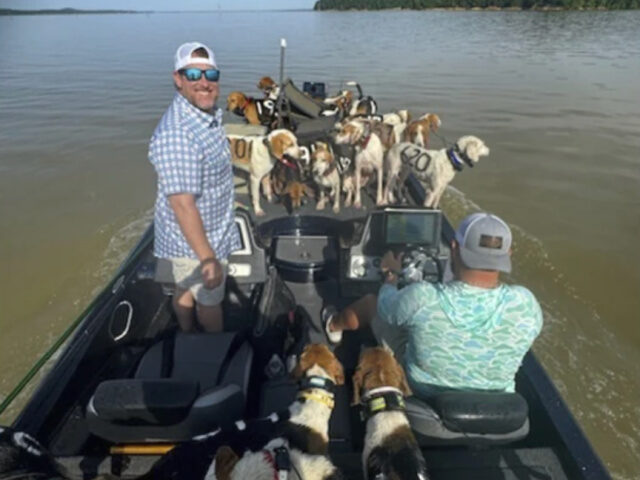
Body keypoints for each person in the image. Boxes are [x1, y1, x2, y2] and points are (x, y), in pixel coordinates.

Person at [324, 212, 543, 398]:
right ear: (508, 255)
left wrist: (390, 275)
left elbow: (386, 309)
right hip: (497, 404)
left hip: (423, 392)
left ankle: (333, 325)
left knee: (372, 304)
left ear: (455, 248)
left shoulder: (423, 297)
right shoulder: (526, 305)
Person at [149, 41, 240, 333]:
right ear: (177, 79)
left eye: (210, 75)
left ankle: (186, 333)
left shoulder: (203, 116)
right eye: (193, 75)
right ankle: (214, 347)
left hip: (210, 228)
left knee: (184, 289)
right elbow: (182, 205)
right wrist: (208, 258)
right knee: (209, 300)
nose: (204, 83)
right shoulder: (178, 135)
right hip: (197, 242)